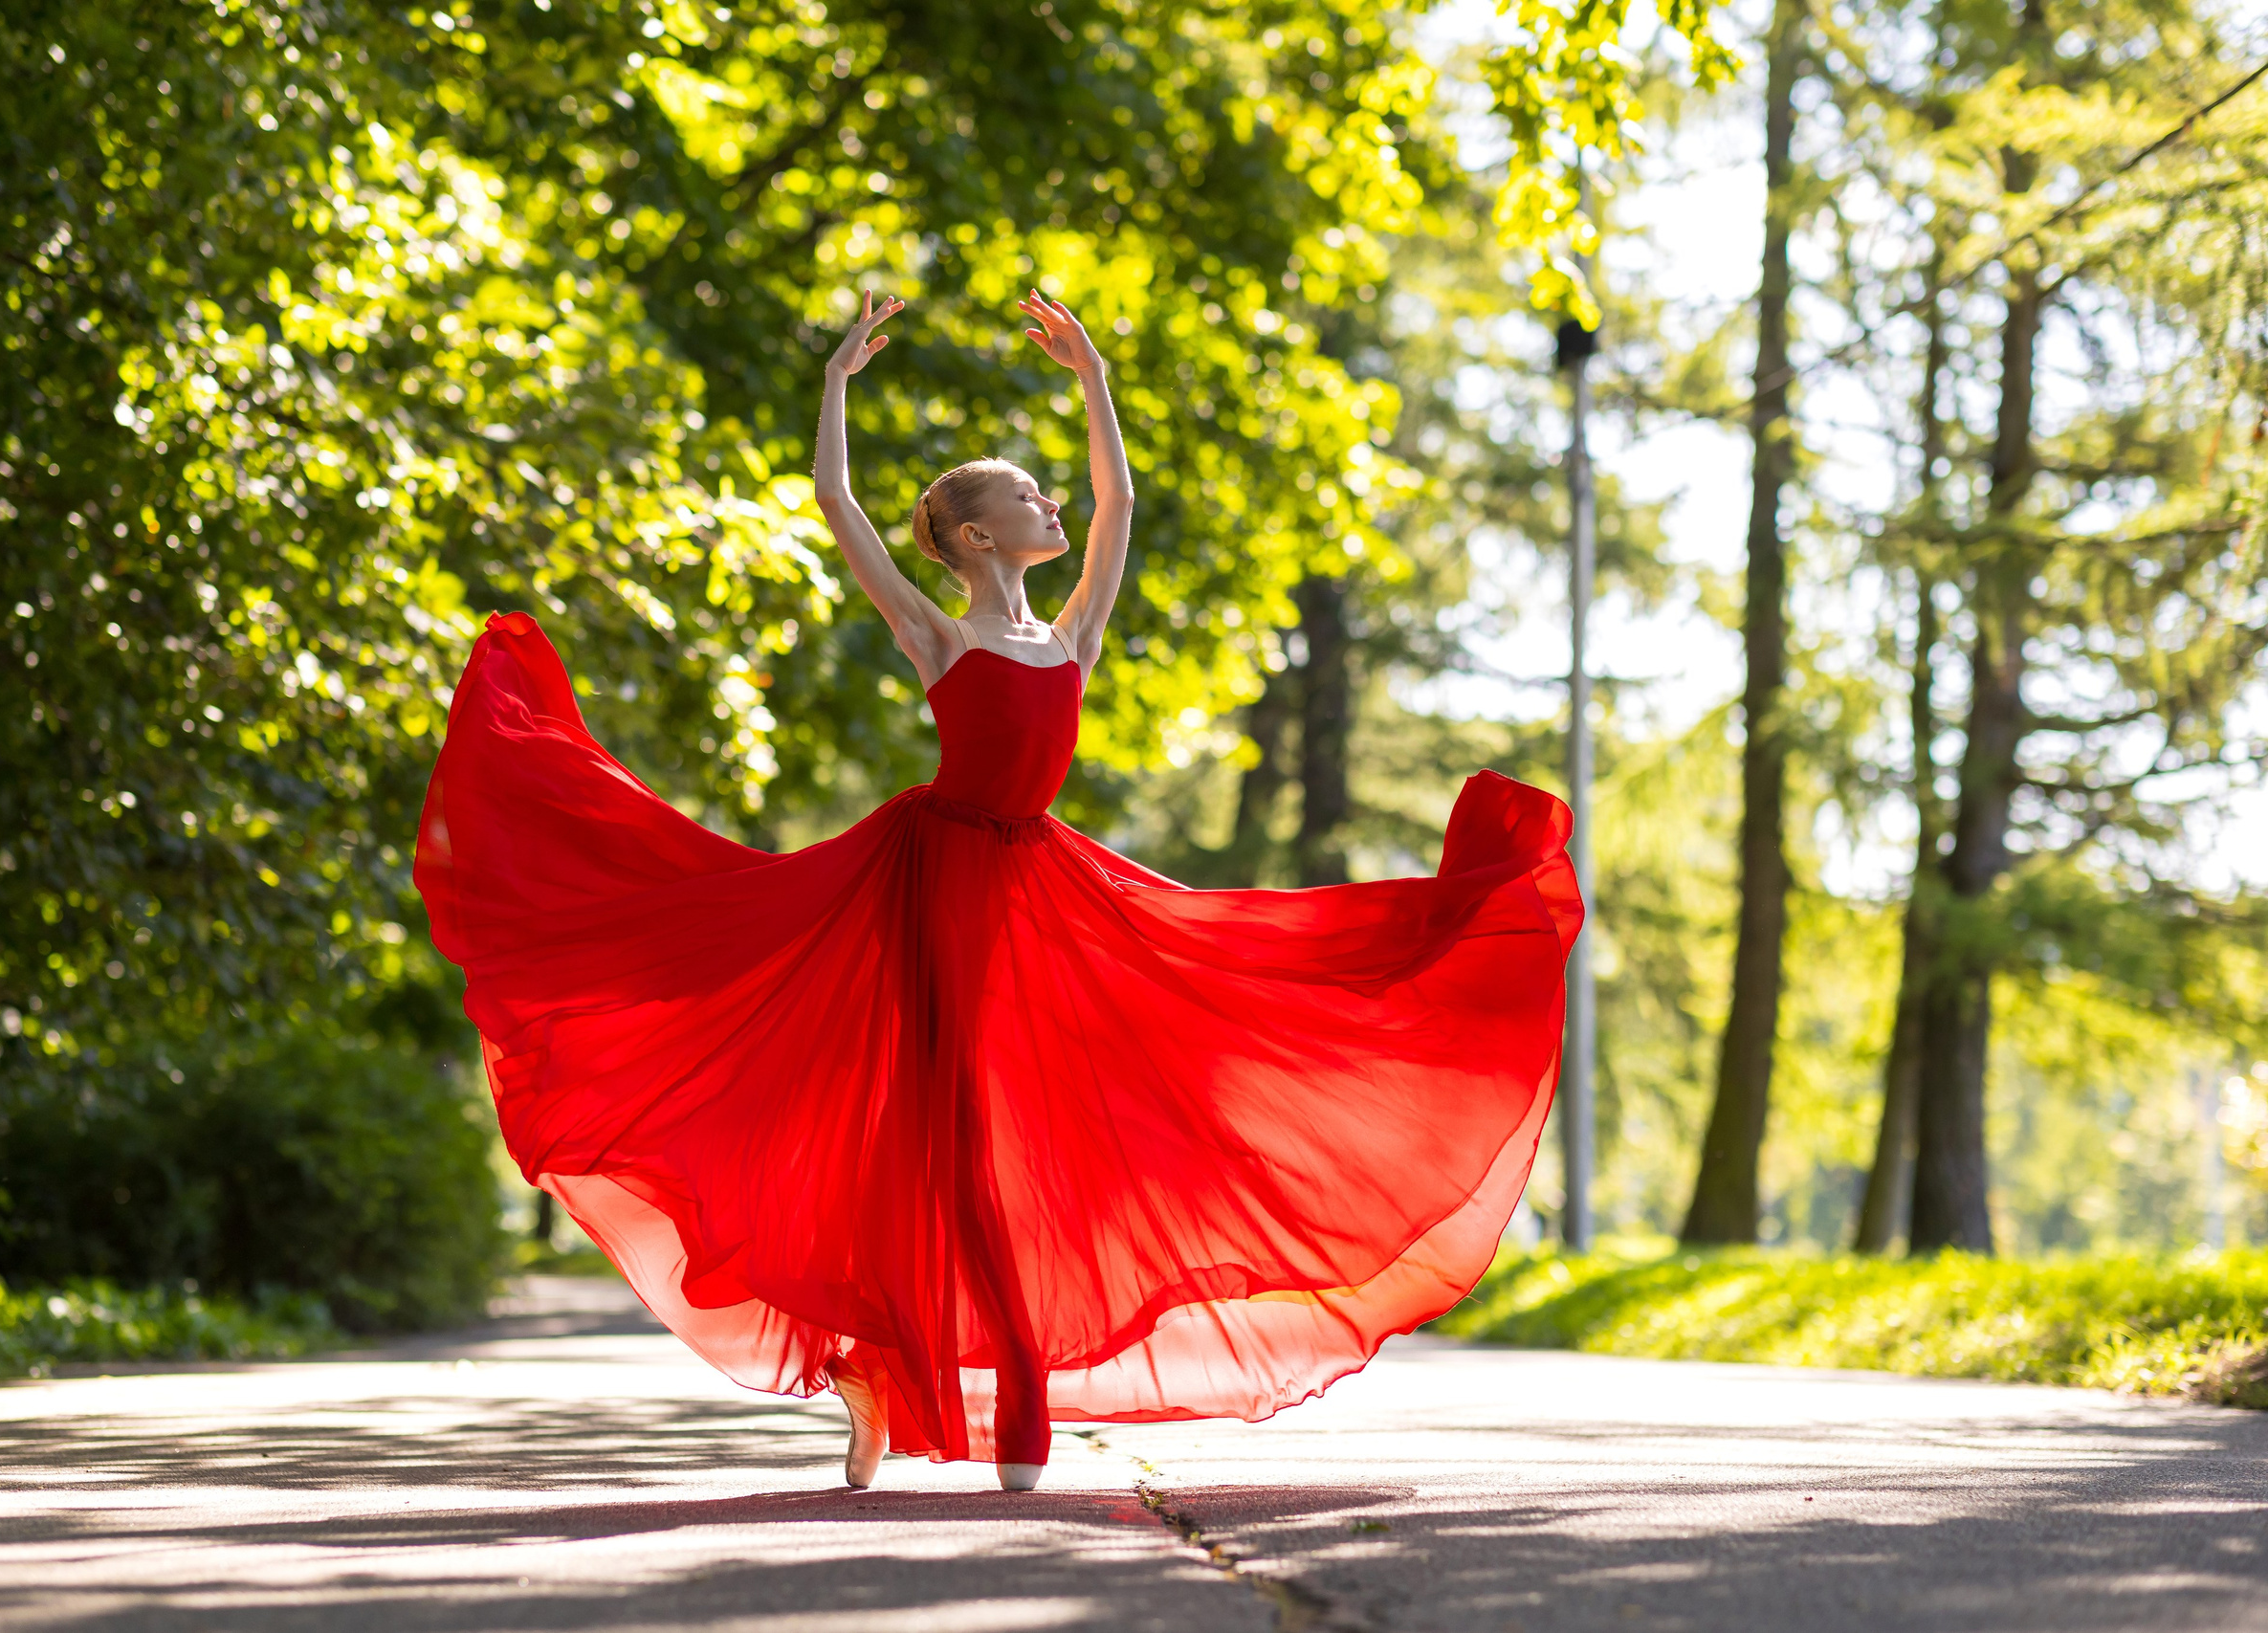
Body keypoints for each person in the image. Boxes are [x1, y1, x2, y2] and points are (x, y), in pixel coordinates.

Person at [414, 286, 1582, 1495]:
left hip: (1041, 886)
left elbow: (1120, 499)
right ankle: (1004, 1382)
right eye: (1026, 495)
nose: (1053, 501)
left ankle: (879, 1367)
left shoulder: (1068, 638)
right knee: (958, 1139)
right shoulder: (942, 638)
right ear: (974, 539)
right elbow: (838, 509)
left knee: (1058, 1113)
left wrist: (1093, 377)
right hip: (934, 882)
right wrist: (832, 390)